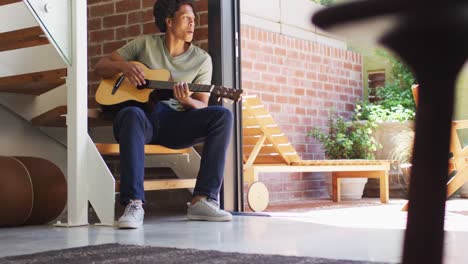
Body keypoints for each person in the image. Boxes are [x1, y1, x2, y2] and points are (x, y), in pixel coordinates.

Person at [95, 0, 233, 229]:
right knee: (130, 112)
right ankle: (133, 203)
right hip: (143, 119)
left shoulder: (202, 59)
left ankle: (203, 200)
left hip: (177, 124)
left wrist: (185, 99)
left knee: (222, 116)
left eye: (194, 20)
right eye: (186, 18)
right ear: (169, 21)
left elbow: (202, 106)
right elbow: (101, 66)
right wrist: (125, 67)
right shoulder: (145, 44)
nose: (192, 24)